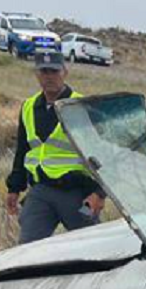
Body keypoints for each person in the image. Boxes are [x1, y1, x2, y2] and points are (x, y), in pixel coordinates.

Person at [7, 50, 102, 243]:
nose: (49, 77)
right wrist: (14, 188)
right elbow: (23, 151)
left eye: (54, 71)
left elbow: (102, 154)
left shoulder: (80, 106)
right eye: (44, 71)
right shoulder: (28, 106)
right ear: (36, 74)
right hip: (40, 191)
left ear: (65, 72)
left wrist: (99, 194)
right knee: (26, 251)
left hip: (76, 193)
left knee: (93, 248)